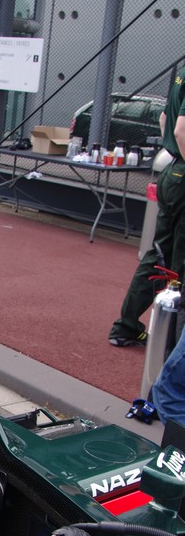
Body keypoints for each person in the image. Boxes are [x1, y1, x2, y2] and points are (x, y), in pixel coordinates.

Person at [109, 65, 185, 347]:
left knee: (159, 255)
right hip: (182, 174)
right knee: (178, 262)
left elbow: (166, 118)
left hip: (173, 171)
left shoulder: (182, 73)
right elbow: (180, 130)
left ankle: (127, 326)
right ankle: (171, 343)